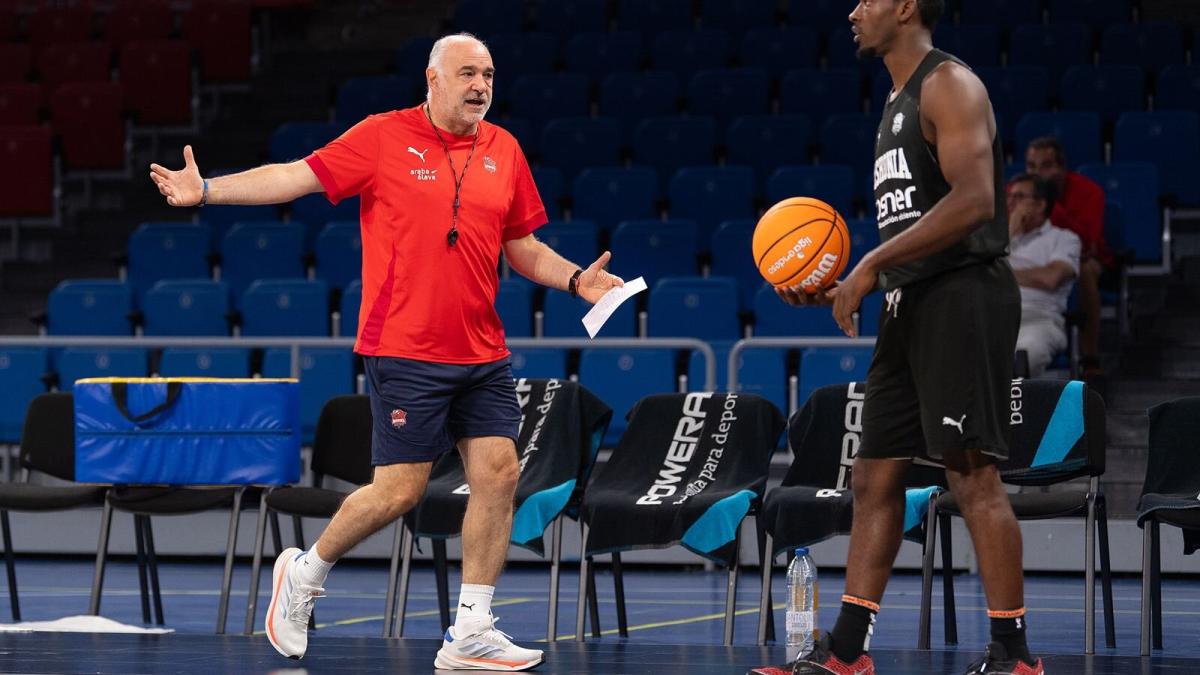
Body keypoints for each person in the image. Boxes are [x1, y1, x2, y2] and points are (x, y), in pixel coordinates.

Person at [149, 33, 624, 671]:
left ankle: (470, 631)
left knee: (499, 475)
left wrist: (575, 279)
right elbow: (295, 178)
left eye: (487, 74)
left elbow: (522, 245)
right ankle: (305, 574)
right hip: (405, 347)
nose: (479, 86)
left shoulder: (504, 149)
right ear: (432, 79)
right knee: (400, 491)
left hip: (482, 350)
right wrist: (207, 191)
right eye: (466, 74)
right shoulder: (382, 136)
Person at [750, 1, 1044, 674]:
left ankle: (1014, 653)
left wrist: (870, 265)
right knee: (873, 474)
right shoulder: (895, 104)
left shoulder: (949, 84)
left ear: (907, 6)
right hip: (911, 303)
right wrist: (840, 285)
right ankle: (848, 653)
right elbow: (918, 231)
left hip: (966, 296)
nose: (853, 11)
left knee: (971, 473)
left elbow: (974, 200)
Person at [1025, 136, 1109, 375]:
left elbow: (1086, 242)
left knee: (1084, 271)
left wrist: (1050, 204)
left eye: (1046, 165)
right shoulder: (1019, 191)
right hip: (1036, 253)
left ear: (1061, 167)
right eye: (1031, 166)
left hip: (1084, 257)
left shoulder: (1089, 191)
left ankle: (1089, 355)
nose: (1037, 173)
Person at [1008, 173, 1081, 377]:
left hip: (1039, 321)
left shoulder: (1064, 239)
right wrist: (1009, 232)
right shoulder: (1002, 240)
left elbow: (1051, 279)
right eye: (1010, 196)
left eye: (1020, 197)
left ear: (1041, 205)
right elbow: (980, 274)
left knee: (1020, 359)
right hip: (993, 320)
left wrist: (999, 273)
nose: (1011, 203)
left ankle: (1018, 409)